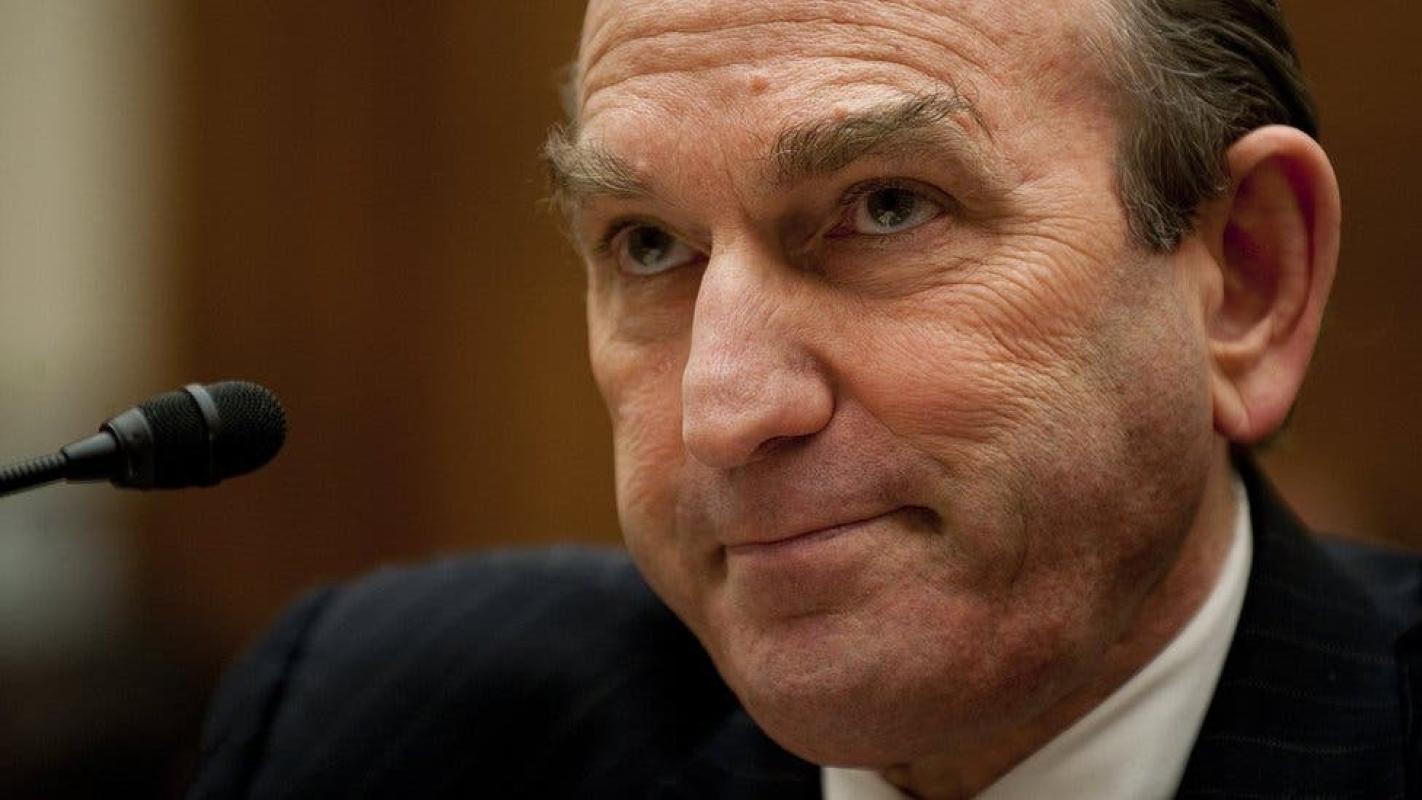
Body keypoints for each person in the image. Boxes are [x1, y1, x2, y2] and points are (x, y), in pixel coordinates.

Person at [187, 1, 1422, 797]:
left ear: (1245, 279)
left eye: (888, 207)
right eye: (647, 244)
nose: (723, 411)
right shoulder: (371, 732)